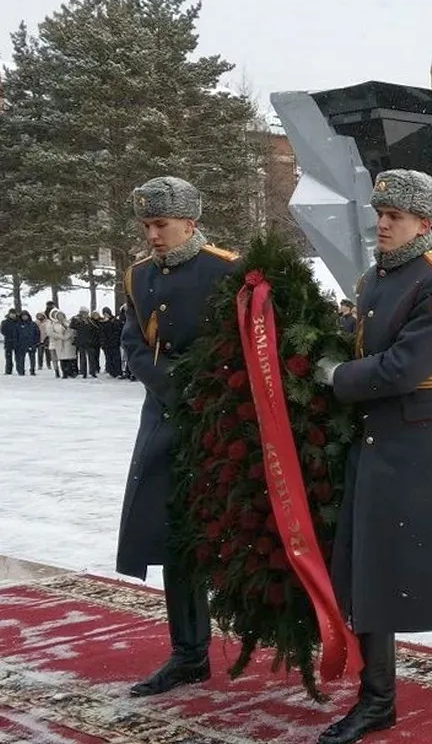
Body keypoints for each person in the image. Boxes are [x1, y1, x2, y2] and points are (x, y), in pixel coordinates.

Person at [314, 169, 432, 744]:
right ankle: (379, 701)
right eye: (381, 214)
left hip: (423, 432)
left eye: (394, 216)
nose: (383, 224)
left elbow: (405, 368)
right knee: (371, 561)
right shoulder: (374, 278)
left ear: (426, 222)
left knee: (422, 556)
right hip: (375, 427)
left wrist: (336, 376)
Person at [118, 176, 241, 695]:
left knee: (235, 534)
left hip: (221, 420)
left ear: (189, 223)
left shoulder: (227, 270)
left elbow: (245, 342)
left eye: (160, 224)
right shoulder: (137, 276)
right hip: (165, 417)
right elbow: (134, 343)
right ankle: (188, 652)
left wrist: (204, 392)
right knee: (172, 533)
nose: (152, 235)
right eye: (147, 225)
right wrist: (172, 386)